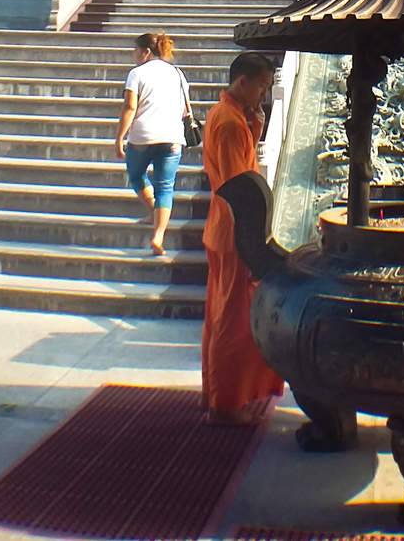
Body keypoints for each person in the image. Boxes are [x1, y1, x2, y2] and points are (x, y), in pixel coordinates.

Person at [201, 51, 284, 424]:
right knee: (232, 321)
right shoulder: (230, 123)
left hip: (222, 228)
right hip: (235, 231)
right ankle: (224, 404)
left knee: (222, 315)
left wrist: (256, 128)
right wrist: (257, 245)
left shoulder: (230, 117)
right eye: (263, 86)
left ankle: (219, 394)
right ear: (243, 82)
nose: (264, 94)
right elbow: (241, 189)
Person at [116, 32, 191, 257]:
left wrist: (119, 137)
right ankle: (158, 235)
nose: (134, 54)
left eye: (135, 50)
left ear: (146, 52)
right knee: (165, 186)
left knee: (137, 174)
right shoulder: (178, 73)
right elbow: (186, 110)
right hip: (172, 137)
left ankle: (152, 209)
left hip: (142, 136)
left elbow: (130, 107)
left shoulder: (136, 73)